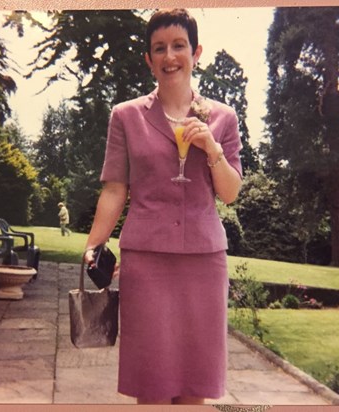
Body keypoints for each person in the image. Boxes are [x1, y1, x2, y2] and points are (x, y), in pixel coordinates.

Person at [84, 9, 243, 405]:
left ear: (196, 52)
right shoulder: (126, 116)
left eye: (178, 46)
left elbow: (230, 193)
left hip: (204, 262)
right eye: (160, 48)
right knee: (152, 382)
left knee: (195, 383)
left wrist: (213, 149)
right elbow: (115, 189)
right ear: (149, 59)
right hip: (147, 261)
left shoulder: (223, 117)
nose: (170, 56)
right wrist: (93, 244)